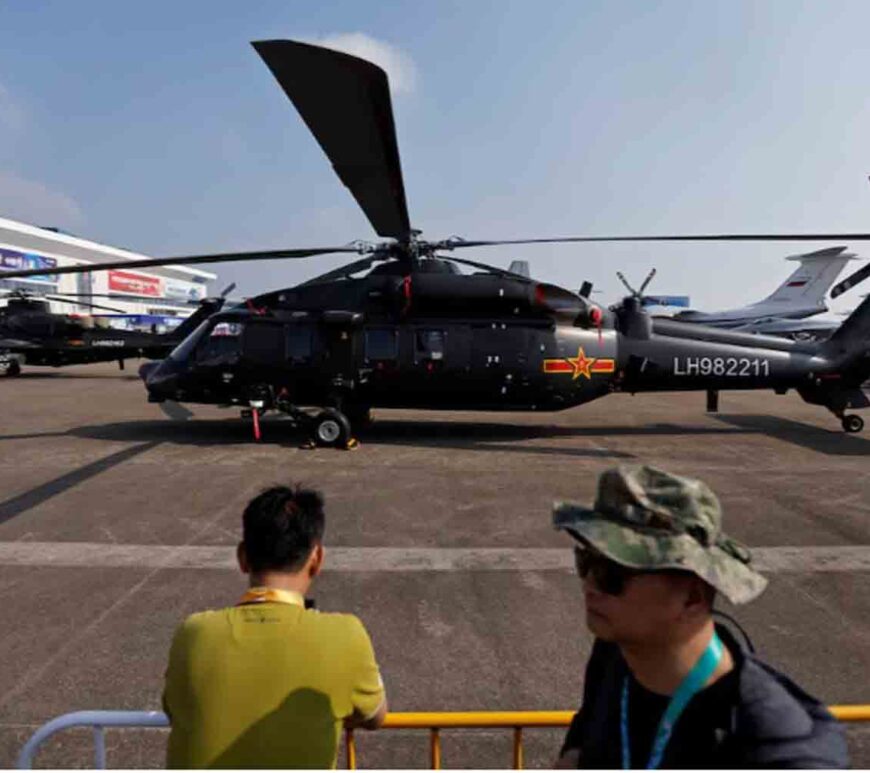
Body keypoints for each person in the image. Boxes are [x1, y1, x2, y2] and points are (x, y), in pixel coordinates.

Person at [552, 465, 848, 769]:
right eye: (585, 561)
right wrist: (574, 754)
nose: (589, 585)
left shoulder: (781, 749)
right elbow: (590, 722)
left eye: (611, 574)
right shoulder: (617, 650)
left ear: (692, 596)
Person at [162, 485, 387, 768]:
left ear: (243, 557)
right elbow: (376, 716)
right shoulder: (346, 635)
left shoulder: (193, 633)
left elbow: (175, 709)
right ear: (316, 559)